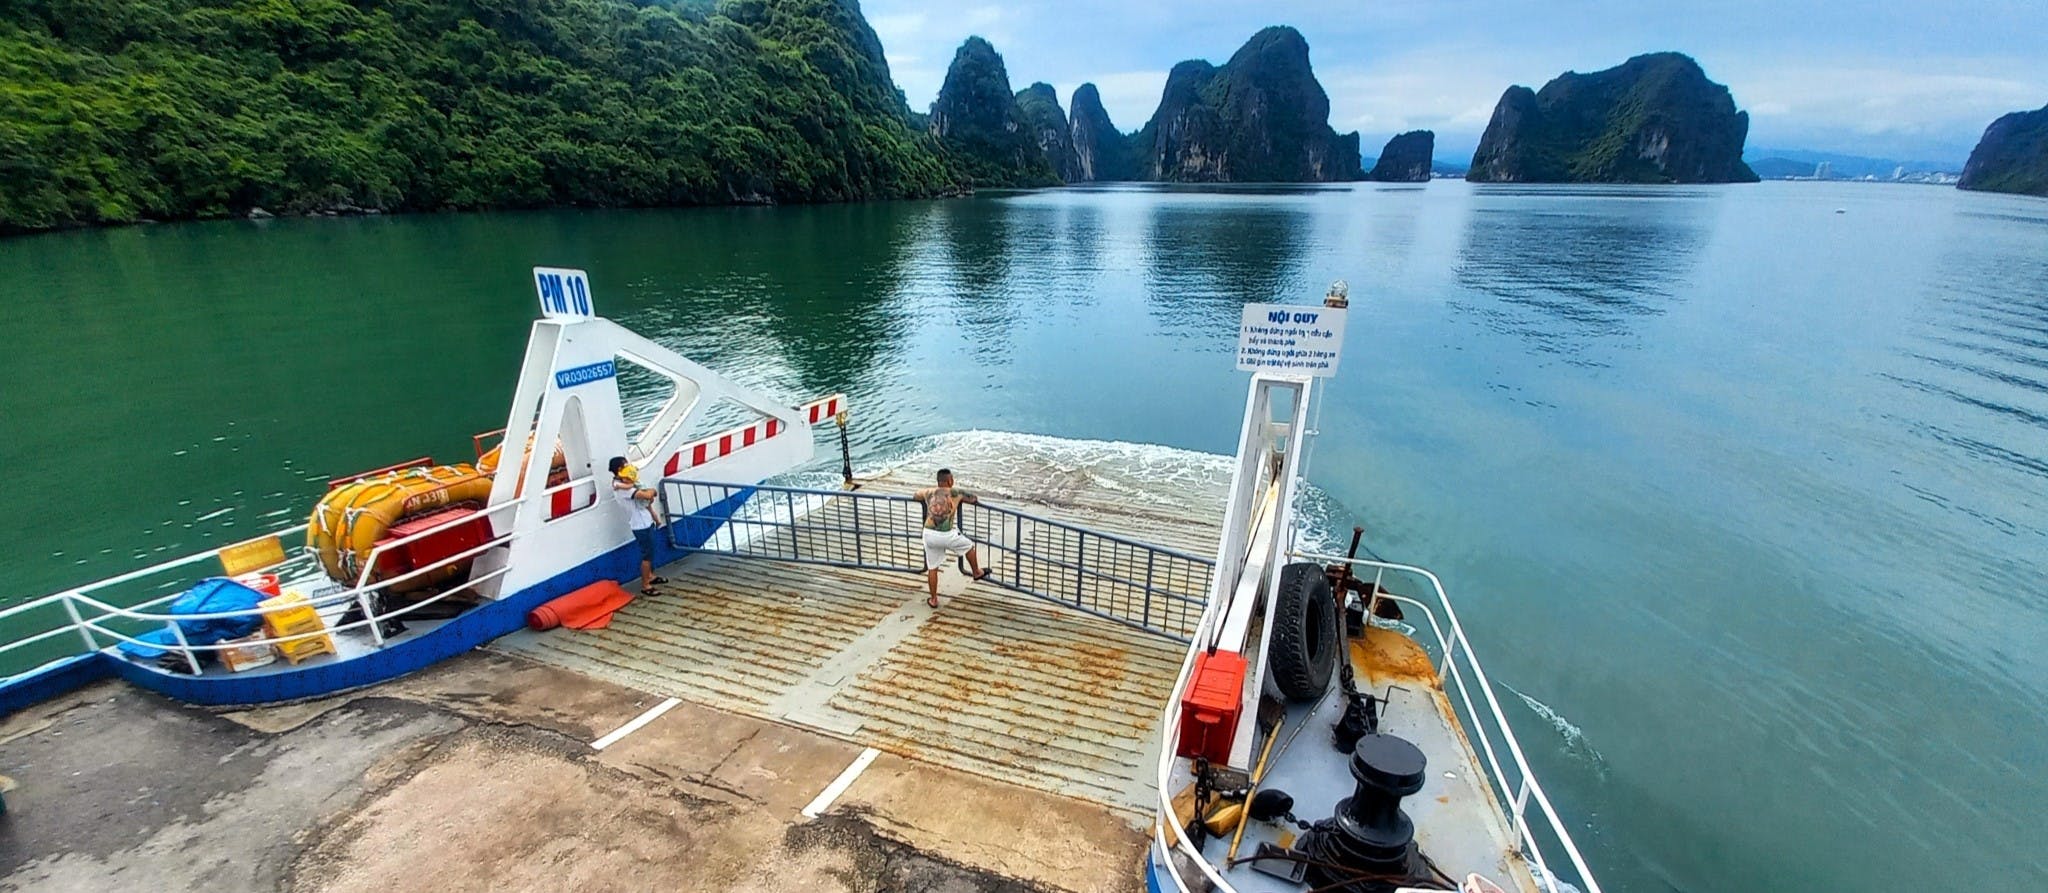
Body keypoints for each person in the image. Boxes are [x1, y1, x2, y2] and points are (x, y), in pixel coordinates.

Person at [913, 468, 988, 608]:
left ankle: (934, 599)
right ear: (950, 480)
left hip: (929, 534)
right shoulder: (956, 492)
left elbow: (915, 495)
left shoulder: (928, 492)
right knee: (969, 546)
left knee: (932, 568)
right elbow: (973, 498)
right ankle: (976, 571)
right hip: (946, 534)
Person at [609, 456, 667, 591]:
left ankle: (650, 576)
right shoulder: (623, 489)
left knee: (651, 551)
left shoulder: (627, 483)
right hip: (640, 525)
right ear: (620, 469)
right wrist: (652, 491)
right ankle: (646, 585)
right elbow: (647, 496)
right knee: (647, 554)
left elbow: (647, 500)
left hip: (646, 521)